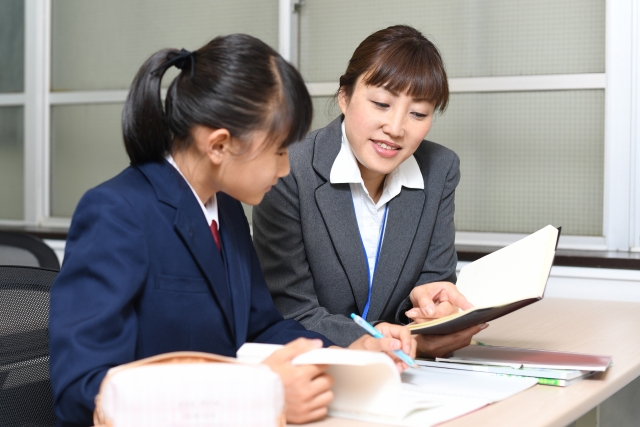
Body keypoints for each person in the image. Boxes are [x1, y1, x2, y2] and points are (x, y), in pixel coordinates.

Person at [48, 34, 414, 427]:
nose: (286, 169)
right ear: (220, 146)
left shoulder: (227, 208)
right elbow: (82, 390)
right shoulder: (116, 213)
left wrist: (348, 353)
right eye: (278, 151)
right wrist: (259, 396)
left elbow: (261, 327)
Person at [253, 25, 486, 356]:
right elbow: (291, 310)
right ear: (344, 97)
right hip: (319, 364)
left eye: (418, 113)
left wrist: (437, 309)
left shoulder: (440, 169)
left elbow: (434, 280)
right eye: (381, 103)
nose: (395, 128)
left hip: (411, 372)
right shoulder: (288, 169)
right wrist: (379, 339)